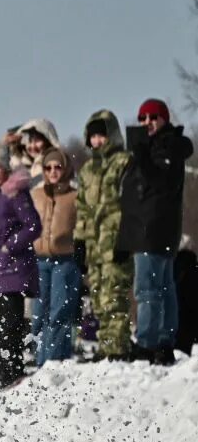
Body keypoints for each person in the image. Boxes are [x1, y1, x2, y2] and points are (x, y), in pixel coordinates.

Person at [117, 98, 193, 365]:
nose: (147, 123)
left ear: (164, 119)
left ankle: (150, 342)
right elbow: (131, 198)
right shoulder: (150, 149)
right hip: (146, 230)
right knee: (163, 287)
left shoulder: (166, 146)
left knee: (149, 290)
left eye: (153, 117)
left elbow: (162, 184)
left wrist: (142, 157)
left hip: (155, 230)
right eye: (142, 118)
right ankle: (163, 342)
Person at [0, 144, 42, 389]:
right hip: (2, 269)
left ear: (5, 168)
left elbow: (33, 226)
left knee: (10, 325)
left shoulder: (15, 193)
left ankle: (13, 373)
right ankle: (6, 374)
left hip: (15, 267)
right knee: (2, 324)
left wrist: (9, 246)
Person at [75, 109, 132, 362]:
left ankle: (117, 348)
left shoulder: (123, 161)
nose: (97, 141)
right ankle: (105, 345)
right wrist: (79, 240)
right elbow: (82, 208)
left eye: (102, 136)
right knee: (98, 297)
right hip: (93, 245)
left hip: (115, 240)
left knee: (114, 295)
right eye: (93, 137)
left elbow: (131, 203)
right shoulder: (87, 170)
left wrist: (127, 239)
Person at [31, 148, 80, 365]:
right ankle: (41, 360)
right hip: (39, 260)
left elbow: (82, 228)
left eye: (57, 167)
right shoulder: (36, 195)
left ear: (65, 169)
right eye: (48, 167)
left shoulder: (74, 197)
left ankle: (55, 362)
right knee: (39, 313)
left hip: (65, 260)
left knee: (59, 311)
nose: (53, 171)